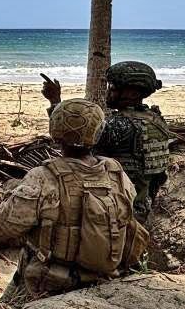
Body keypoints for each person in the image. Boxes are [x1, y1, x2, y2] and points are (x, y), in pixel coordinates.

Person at [0, 99, 149, 306]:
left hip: (48, 285)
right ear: (98, 133)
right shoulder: (115, 172)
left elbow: (3, 229)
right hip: (105, 280)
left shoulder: (43, 176)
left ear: (54, 132)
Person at [42, 61, 171, 223]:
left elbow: (74, 137)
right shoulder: (156, 120)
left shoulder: (121, 126)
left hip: (114, 213)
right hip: (141, 208)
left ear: (131, 93)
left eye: (113, 87)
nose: (108, 91)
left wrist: (55, 101)